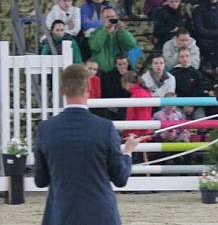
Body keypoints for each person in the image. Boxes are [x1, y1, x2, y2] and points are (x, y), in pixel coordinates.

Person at [33, 64, 139, 225]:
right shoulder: (105, 128)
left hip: (61, 214)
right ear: (89, 87)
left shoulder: (45, 129)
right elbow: (120, 178)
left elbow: (40, 180)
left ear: (62, 89)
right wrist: (128, 152)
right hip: (100, 213)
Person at [88, 7, 137, 72]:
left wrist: (122, 30)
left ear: (116, 17)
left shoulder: (121, 31)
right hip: (101, 70)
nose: (110, 19)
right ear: (102, 19)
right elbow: (94, 47)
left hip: (119, 70)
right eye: (107, 17)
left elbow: (132, 45)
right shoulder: (95, 32)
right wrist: (105, 30)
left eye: (112, 16)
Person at [170, 47, 207, 120]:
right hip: (178, 106)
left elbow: (200, 91)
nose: (185, 59)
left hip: (196, 106)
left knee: (201, 121)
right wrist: (183, 105)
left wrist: (192, 105)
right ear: (178, 58)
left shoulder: (197, 73)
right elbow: (173, 92)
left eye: (187, 56)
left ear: (190, 57)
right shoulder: (173, 74)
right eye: (182, 56)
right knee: (177, 120)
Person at [121, 71, 154, 140]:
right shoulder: (141, 92)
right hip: (137, 132)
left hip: (137, 133)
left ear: (127, 83)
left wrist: (141, 134)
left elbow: (143, 116)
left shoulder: (140, 94)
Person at [100, 55, 131, 120]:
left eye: (124, 64)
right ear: (116, 65)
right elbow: (105, 94)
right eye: (119, 64)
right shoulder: (107, 76)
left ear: (128, 64)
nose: (122, 66)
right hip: (112, 107)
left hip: (129, 105)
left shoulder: (133, 75)